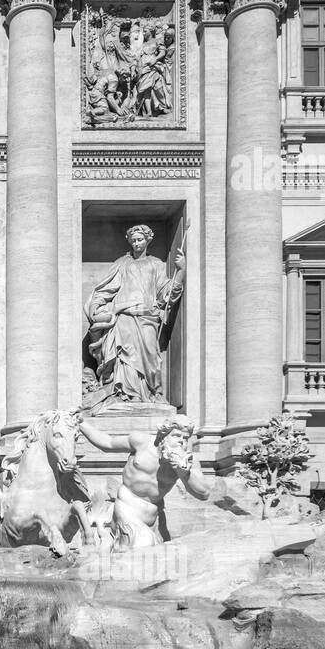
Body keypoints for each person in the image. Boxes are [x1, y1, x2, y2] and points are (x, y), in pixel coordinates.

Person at [84, 223, 184, 405]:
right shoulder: (122, 264)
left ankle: (150, 393)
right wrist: (96, 306)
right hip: (124, 317)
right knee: (124, 357)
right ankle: (125, 395)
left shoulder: (155, 264)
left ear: (148, 240)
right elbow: (106, 289)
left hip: (147, 317)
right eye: (133, 241)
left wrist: (181, 271)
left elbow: (166, 295)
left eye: (140, 240)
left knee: (151, 358)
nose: (137, 243)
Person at [79, 414, 210, 549]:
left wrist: (184, 474)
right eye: (176, 435)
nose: (181, 441)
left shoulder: (188, 461)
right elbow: (108, 443)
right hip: (126, 508)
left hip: (151, 518)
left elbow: (204, 493)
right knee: (144, 545)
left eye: (186, 438)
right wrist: (81, 423)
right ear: (163, 435)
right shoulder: (142, 442)